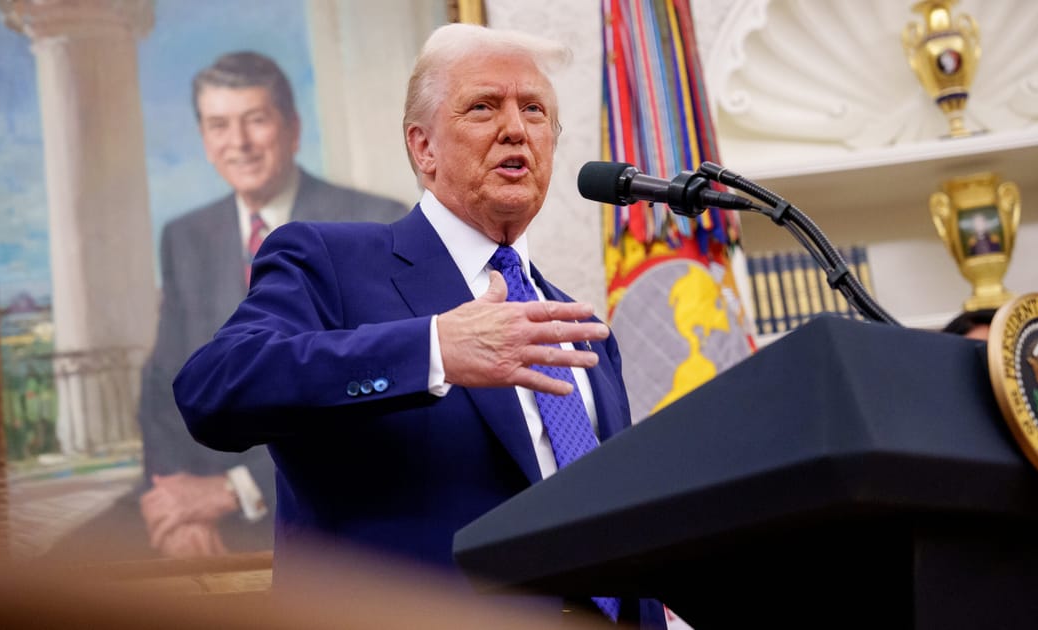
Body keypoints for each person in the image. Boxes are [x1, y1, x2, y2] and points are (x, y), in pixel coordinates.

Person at [173, 24, 666, 628]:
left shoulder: (579, 329)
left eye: (534, 110)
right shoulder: (330, 262)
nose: (516, 128)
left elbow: (612, 522)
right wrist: (432, 349)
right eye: (483, 106)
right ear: (423, 147)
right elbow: (212, 390)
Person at [46, 51, 407, 560]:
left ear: (292, 128)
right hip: (191, 489)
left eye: (255, 120)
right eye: (219, 125)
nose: (238, 143)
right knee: (53, 573)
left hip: (319, 494)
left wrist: (233, 491)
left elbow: (380, 392)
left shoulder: (372, 222)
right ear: (204, 138)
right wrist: (174, 500)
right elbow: (163, 384)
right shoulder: (186, 236)